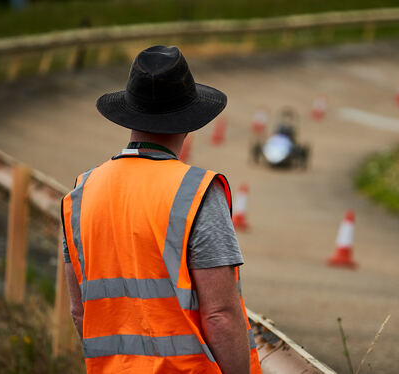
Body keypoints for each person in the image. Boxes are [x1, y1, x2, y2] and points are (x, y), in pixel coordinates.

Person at [61, 45, 261, 374]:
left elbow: (80, 312)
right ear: (189, 119)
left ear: (129, 112)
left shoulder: (80, 196)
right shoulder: (196, 194)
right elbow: (220, 315)